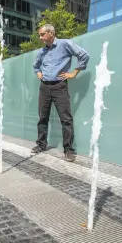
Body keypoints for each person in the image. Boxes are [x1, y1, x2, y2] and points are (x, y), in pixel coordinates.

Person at [32, 24, 89, 162]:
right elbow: (36, 66)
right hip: (44, 87)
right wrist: (39, 74)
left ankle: (69, 150)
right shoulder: (41, 52)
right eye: (40, 35)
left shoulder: (65, 44)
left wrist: (74, 73)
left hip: (59, 86)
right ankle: (41, 144)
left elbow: (84, 55)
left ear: (51, 33)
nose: (40, 38)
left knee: (66, 119)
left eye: (42, 34)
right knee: (42, 117)